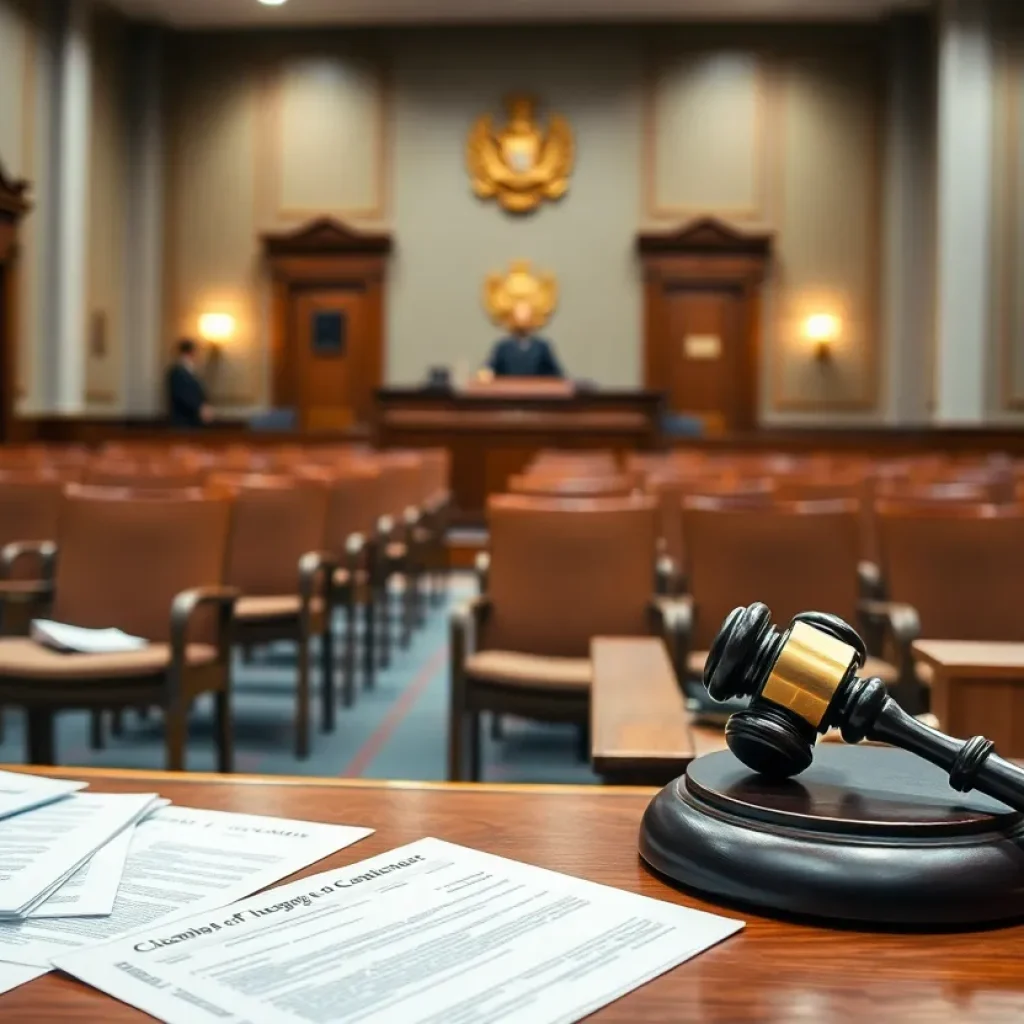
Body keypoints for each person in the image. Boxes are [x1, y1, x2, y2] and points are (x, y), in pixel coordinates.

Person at [485, 301, 564, 378]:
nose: (522, 321)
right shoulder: (503, 347)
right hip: (509, 390)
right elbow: (489, 370)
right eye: (518, 316)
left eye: (526, 316)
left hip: (536, 390)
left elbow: (556, 373)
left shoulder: (541, 347)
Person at [166, 338, 213, 428]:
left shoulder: (189, 371)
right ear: (191, 352)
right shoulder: (177, 372)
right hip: (183, 422)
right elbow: (182, 395)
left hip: (193, 421)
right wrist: (200, 408)